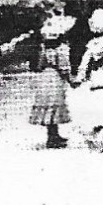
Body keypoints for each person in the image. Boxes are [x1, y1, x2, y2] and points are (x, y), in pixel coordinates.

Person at [69, 7, 103, 151]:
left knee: (98, 106)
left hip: (95, 80)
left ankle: (96, 133)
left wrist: (80, 78)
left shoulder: (92, 45)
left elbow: (84, 64)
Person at [29, 13, 75, 149]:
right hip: (55, 79)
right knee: (55, 105)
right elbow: (64, 67)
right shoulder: (60, 51)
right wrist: (70, 79)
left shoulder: (43, 51)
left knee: (47, 107)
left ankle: (52, 134)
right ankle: (54, 137)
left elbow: (39, 65)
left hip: (45, 78)